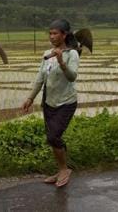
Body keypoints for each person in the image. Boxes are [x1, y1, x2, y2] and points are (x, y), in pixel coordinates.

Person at [21, 19, 79, 188]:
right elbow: (40, 79)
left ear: (64, 35)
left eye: (55, 33)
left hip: (66, 102)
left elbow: (72, 77)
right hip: (49, 102)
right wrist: (30, 98)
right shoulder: (48, 54)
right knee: (53, 138)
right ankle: (61, 169)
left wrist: (61, 62)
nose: (52, 36)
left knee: (53, 136)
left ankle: (64, 169)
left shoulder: (72, 54)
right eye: (50, 33)